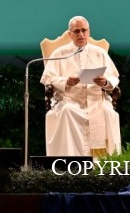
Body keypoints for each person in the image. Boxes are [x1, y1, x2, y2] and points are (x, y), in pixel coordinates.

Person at [40, 15, 121, 157]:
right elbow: (49, 78)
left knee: (107, 112)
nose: (81, 34)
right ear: (70, 34)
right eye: (76, 31)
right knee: (67, 111)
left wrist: (105, 82)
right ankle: (70, 162)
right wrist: (66, 82)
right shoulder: (60, 53)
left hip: (97, 99)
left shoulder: (100, 53)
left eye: (84, 30)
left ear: (89, 32)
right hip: (70, 99)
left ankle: (103, 163)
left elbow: (114, 77)